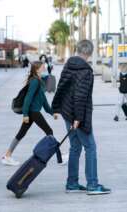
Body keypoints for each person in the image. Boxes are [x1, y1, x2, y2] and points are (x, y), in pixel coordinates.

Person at [52, 40, 111, 195]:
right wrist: (78, 119)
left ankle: (72, 183)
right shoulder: (85, 70)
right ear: (89, 53)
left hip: (66, 112)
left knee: (75, 147)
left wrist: (57, 108)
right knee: (90, 147)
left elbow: (61, 87)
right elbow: (80, 96)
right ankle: (92, 184)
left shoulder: (68, 65)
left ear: (77, 50)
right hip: (78, 116)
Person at [1, 61, 55, 166]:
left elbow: (43, 101)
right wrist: (25, 114)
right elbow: (28, 98)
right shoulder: (35, 81)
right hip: (33, 112)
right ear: (37, 69)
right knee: (49, 131)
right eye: (42, 66)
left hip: (33, 112)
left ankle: (7, 156)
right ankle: (60, 156)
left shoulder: (39, 81)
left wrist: (52, 112)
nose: (44, 67)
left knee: (21, 133)